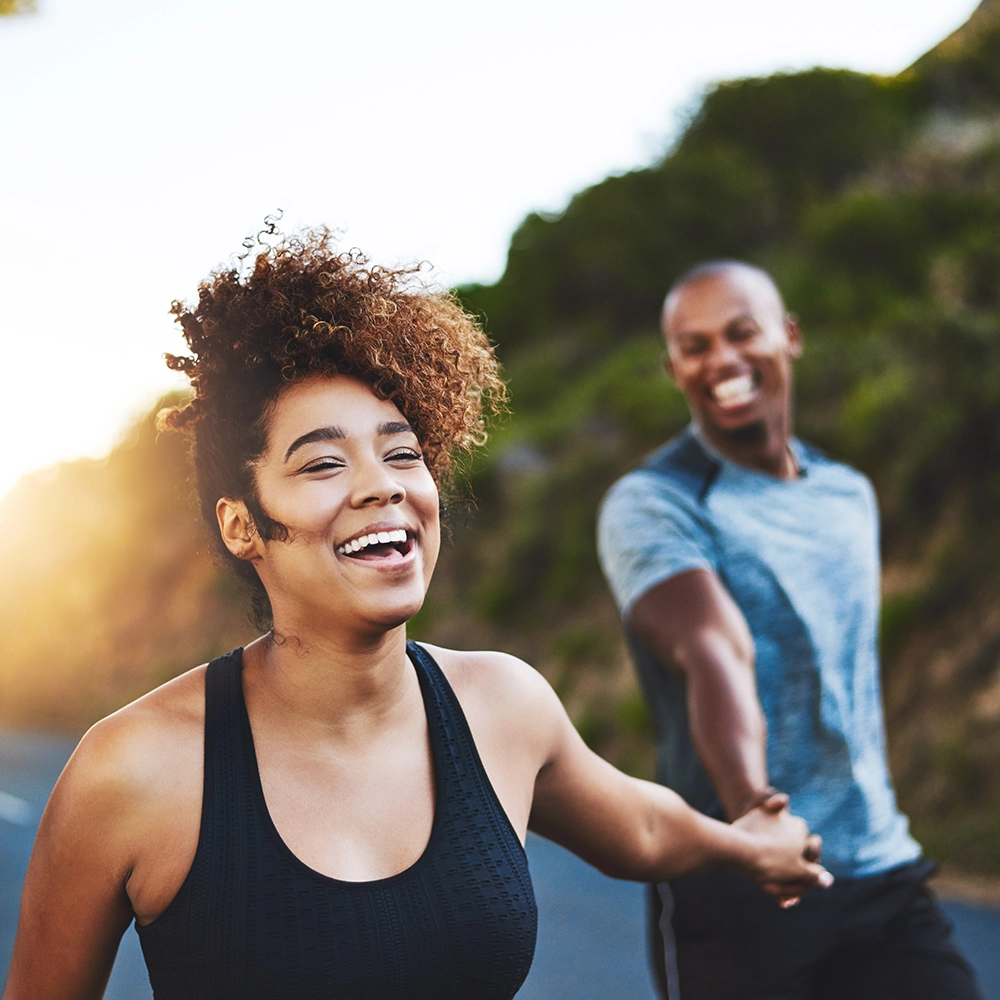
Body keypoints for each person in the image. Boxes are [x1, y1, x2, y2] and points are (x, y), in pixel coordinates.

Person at [2, 233, 829, 1000]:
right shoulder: (133, 770)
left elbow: (642, 828)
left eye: (402, 453)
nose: (381, 484)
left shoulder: (503, 706)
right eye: (323, 462)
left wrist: (751, 847)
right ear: (242, 524)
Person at [597, 260, 982, 1000]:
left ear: (790, 336)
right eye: (696, 345)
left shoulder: (848, 494)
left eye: (742, 333)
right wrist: (755, 812)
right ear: (674, 367)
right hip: (739, 878)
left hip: (877, 867)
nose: (723, 360)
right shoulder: (652, 502)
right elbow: (713, 647)